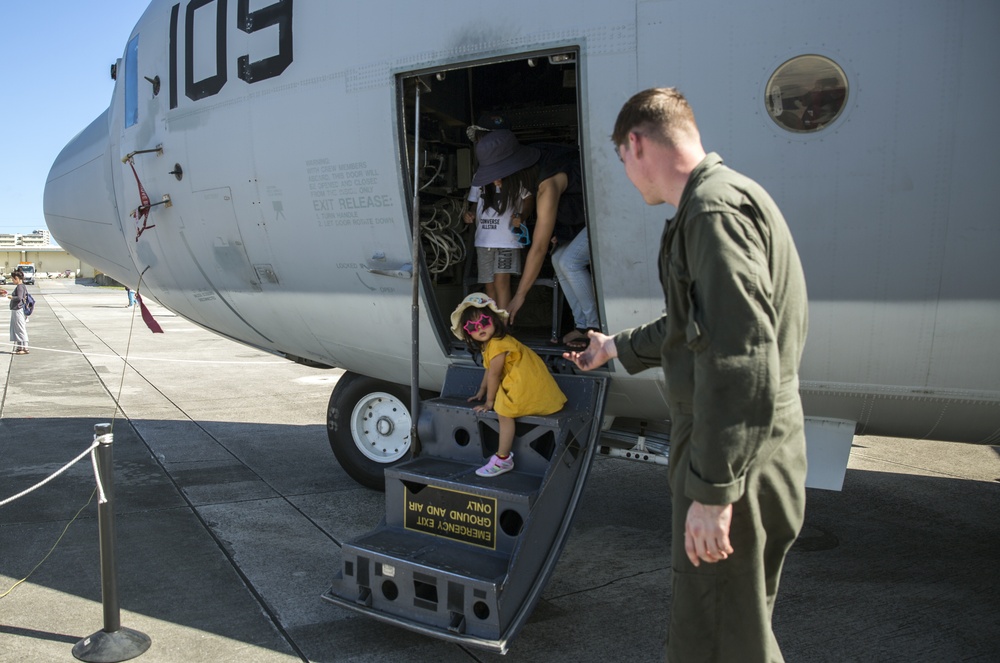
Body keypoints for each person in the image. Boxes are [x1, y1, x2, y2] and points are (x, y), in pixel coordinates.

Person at [565, 88, 808, 662]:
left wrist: (713, 492)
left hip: (732, 459)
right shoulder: (717, 201)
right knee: (729, 624)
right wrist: (616, 347)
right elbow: (694, 326)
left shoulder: (712, 214)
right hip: (745, 450)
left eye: (622, 161)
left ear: (636, 144)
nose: (626, 175)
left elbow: (741, 357)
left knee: (723, 639)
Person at [469, 130, 598, 344]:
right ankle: (582, 324)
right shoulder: (536, 156)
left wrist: (520, 296)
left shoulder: (547, 182)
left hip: (607, 214)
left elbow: (539, 247)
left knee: (570, 261)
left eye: (499, 174)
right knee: (558, 259)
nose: (497, 181)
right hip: (586, 218)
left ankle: (594, 328)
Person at [451, 293, 567, 477]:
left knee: (503, 412)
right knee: (501, 402)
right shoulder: (492, 344)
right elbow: (489, 370)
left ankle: (503, 459)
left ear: (494, 321)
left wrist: (489, 402)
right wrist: (481, 391)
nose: (479, 328)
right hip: (528, 383)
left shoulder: (497, 344)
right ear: (467, 332)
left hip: (526, 385)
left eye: (484, 321)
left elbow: (495, 374)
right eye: (472, 326)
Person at [463, 139, 535, 310]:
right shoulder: (479, 177)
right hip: (484, 239)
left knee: (502, 282)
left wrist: (522, 216)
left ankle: (504, 326)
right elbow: (474, 202)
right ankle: (494, 324)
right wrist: (470, 213)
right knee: (489, 285)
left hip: (506, 240)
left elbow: (529, 199)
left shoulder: (516, 176)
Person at [2, 268, 30, 354]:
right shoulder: (21, 286)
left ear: (17, 278)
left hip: (18, 309)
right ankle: (20, 346)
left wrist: (11, 297)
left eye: (13, 279)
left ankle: (24, 348)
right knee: (17, 329)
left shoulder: (20, 287)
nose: (13, 280)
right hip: (16, 309)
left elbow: (19, 298)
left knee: (20, 328)